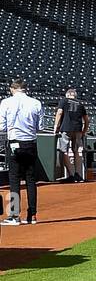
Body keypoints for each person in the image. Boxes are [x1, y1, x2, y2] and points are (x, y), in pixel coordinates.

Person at [0, 77, 43, 226]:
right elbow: (40, 127)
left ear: (12, 89)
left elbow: (1, 126)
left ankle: (14, 216)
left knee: (14, 179)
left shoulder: (6, 102)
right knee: (31, 179)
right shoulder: (36, 103)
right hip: (31, 143)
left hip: (14, 143)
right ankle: (32, 215)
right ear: (25, 89)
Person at [54, 86, 89, 182]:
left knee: (63, 151)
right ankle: (78, 174)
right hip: (78, 130)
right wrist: (84, 131)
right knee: (77, 151)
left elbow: (59, 112)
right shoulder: (80, 104)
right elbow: (86, 120)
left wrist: (56, 126)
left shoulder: (64, 101)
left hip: (65, 129)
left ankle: (72, 174)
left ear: (67, 94)